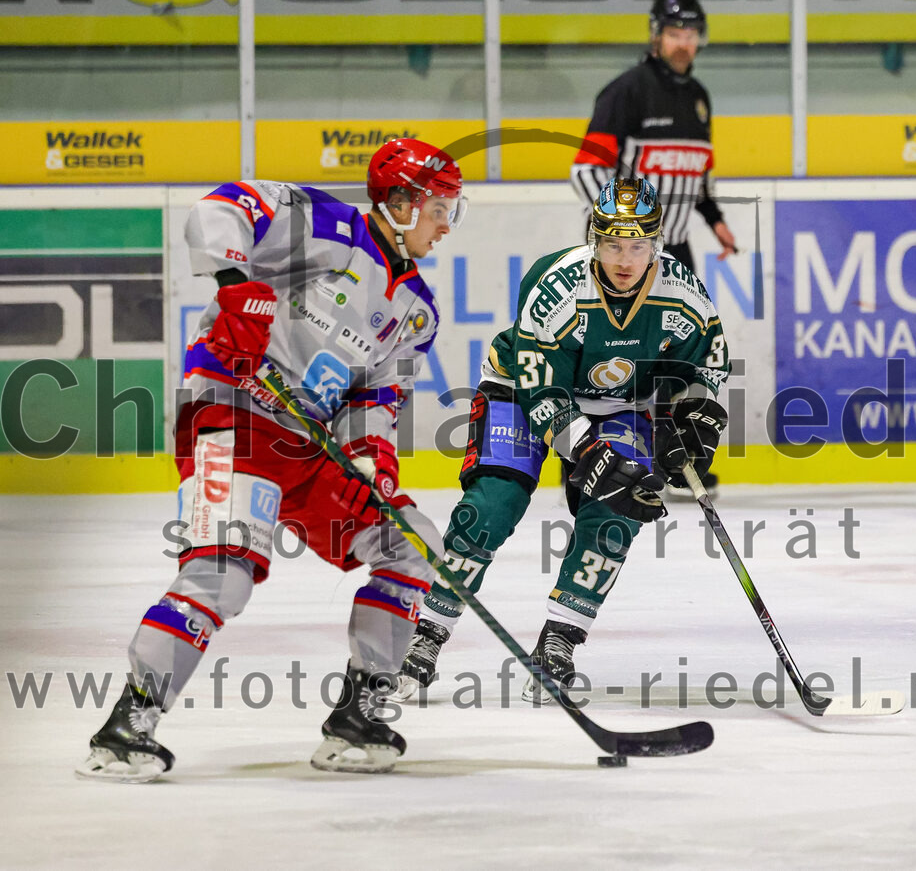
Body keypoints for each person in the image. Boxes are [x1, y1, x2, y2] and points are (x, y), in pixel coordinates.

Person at [76, 138, 466, 780]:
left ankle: (359, 716)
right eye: (437, 207)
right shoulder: (326, 227)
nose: (446, 224)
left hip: (307, 447)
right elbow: (220, 208)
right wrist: (235, 284)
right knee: (224, 570)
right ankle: (127, 724)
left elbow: (378, 396)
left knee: (411, 542)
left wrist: (374, 463)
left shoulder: (417, 311)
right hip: (236, 413)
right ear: (398, 203)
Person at [395, 177, 729, 704]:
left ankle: (559, 642)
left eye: (638, 245)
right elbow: (541, 388)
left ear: (656, 244)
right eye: (614, 244)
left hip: (619, 403)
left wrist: (696, 420)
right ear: (595, 239)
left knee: (620, 507)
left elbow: (707, 361)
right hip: (519, 393)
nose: (625, 258)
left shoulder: (683, 292)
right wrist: (588, 452)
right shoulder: (557, 284)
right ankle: (424, 637)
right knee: (490, 507)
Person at [570, 0, 735, 495]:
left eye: (691, 34)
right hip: (625, 251)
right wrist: (620, 233)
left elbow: (695, 170)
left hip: (677, 247)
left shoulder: (698, 95)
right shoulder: (627, 91)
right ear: (655, 35)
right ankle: (584, 461)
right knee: (604, 354)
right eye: (674, 33)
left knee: (681, 355)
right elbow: (585, 170)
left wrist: (715, 218)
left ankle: (678, 459)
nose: (684, 43)